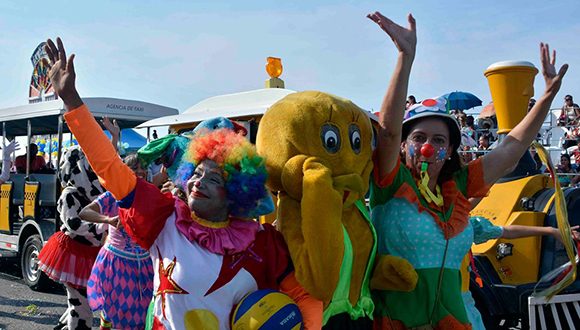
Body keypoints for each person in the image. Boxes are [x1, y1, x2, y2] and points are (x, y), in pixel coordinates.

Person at [43, 37, 321, 330]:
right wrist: (72, 101)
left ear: (237, 193)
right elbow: (110, 168)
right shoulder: (164, 218)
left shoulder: (263, 243)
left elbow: (304, 297)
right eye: (197, 172)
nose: (199, 181)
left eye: (214, 178)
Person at [366, 11, 568, 329]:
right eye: (418, 137)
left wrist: (546, 98)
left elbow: (510, 151)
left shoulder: (459, 185)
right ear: (404, 145)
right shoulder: (390, 181)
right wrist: (405, 58)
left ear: (449, 151)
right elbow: (389, 131)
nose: (427, 146)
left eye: (438, 139)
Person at [37, 146, 106, 330]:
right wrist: (105, 224)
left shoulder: (94, 192)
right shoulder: (69, 194)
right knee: (81, 305)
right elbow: (74, 224)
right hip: (74, 254)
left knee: (81, 302)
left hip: (90, 252)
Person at [83, 154, 154, 330]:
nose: (140, 172)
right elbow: (85, 212)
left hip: (144, 263)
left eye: (142, 168)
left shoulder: (151, 193)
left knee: (143, 312)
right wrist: (107, 219)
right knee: (115, 312)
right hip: (116, 263)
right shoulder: (112, 196)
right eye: (134, 168)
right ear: (124, 172)